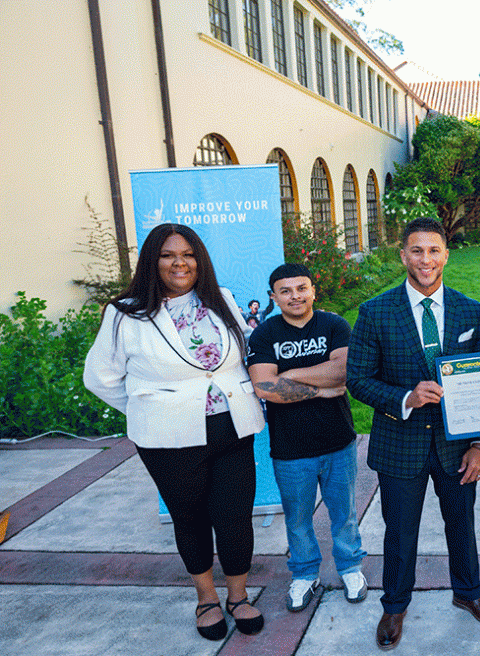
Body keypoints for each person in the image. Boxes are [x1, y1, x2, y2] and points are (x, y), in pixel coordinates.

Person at [83, 223, 266, 641]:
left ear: (199, 260)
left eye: (188, 254)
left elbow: (239, 356)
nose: (179, 262)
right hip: (169, 438)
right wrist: (148, 407)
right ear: (153, 260)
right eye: (168, 255)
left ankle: (238, 597)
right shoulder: (125, 313)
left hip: (233, 426)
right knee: (190, 517)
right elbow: (100, 377)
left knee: (236, 517)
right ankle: (206, 599)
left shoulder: (221, 301)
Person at [347, 217, 480, 650]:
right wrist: (406, 397)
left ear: (446, 254)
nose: (426, 260)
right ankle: (395, 605)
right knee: (400, 531)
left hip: (457, 445)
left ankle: (468, 594)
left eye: (434, 250)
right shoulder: (375, 311)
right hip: (400, 444)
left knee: (462, 524)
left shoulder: (471, 310)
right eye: (416, 251)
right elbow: (357, 379)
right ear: (403, 256)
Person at [246, 263, 367, 613]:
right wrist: (319, 389)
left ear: (313, 290)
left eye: (301, 288)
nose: (295, 296)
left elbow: (343, 370)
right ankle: (304, 574)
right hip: (291, 449)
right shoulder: (264, 335)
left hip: (338, 441)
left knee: (344, 513)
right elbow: (266, 387)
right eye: (285, 291)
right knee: (298, 518)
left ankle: (350, 567)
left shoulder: (334, 325)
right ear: (274, 297)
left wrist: (291, 374)